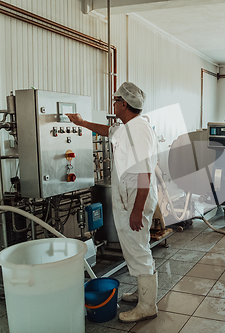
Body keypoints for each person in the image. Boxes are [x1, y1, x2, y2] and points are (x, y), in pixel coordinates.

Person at [67, 82, 158, 323]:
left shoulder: (138, 130)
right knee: (137, 247)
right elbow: (108, 131)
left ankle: (148, 305)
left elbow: (144, 174)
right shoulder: (127, 127)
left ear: (124, 103)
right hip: (130, 198)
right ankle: (142, 293)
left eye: (115, 100)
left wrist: (137, 210)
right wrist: (82, 123)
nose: (113, 104)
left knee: (137, 249)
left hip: (135, 200)